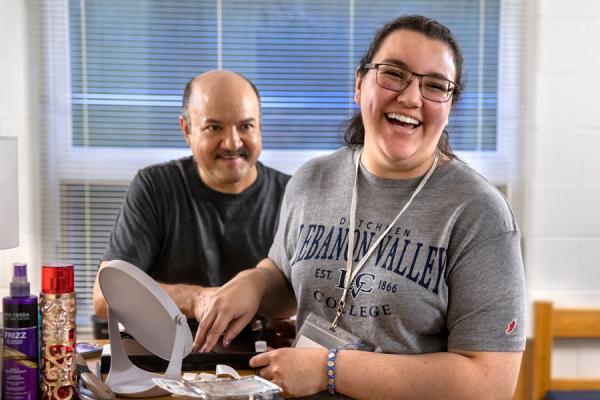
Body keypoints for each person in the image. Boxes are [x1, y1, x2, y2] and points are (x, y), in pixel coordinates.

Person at [194, 15, 526, 399]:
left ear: (449, 106)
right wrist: (253, 283)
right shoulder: (312, 180)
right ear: (359, 83)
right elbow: (286, 276)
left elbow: (491, 382)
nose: (411, 97)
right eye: (393, 74)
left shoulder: (478, 213)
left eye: (435, 85)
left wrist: (330, 370)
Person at [92, 70, 291, 333]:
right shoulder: (154, 186)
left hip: (263, 362)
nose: (232, 142)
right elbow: (105, 297)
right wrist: (196, 299)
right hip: (169, 363)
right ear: (187, 130)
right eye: (214, 127)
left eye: (246, 126)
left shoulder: (292, 193)